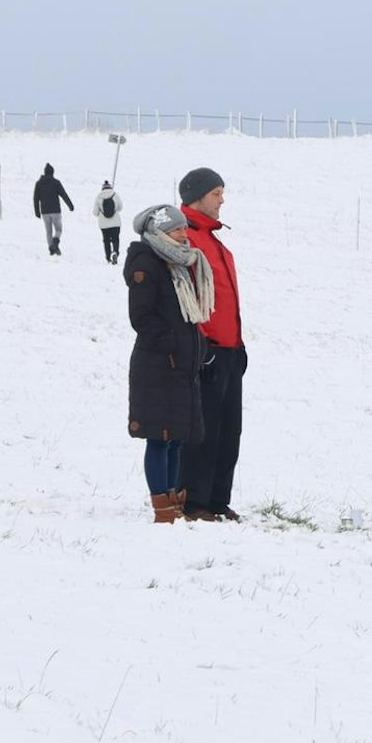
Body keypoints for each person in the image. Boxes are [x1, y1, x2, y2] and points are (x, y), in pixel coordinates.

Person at [124, 205, 210, 522]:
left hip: (180, 366)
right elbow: (142, 317)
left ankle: (173, 499)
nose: (184, 235)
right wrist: (171, 346)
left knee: (175, 437)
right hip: (158, 366)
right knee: (158, 438)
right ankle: (162, 505)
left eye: (184, 229)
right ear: (160, 232)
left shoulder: (175, 263)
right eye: (177, 230)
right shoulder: (147, 262)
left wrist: (195, 347)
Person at [175, 167, 246, 522]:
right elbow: (181, 295)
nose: (222, 200)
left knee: (229, 430)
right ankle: (195, 500)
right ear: (197, 197)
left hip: (231, 350)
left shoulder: (213, 239)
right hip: (208, 352)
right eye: (217, 193)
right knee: (204, 431)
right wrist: (203, 348)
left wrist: (239, 345)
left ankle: (218, 498)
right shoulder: (185, 238)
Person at [32, 163, 74, 256]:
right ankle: (55, 244)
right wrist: (70, 205)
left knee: (48, 231)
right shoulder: (56, 182)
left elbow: (35, 198)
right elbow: (64, 194)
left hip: (45, 212)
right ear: (52, 173)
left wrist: (37, 212)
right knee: (58, 230)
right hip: (56, 211)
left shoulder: (39, 183)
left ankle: (51, 248)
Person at [93, 181, 123, 263]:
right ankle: (115, 252)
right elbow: (120, 208)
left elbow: (95, 213)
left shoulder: (99, 197)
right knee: (115, 239)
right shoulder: (115, 195)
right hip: (115, 223)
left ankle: (108, 257)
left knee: (106, 240)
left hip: (104, 224)